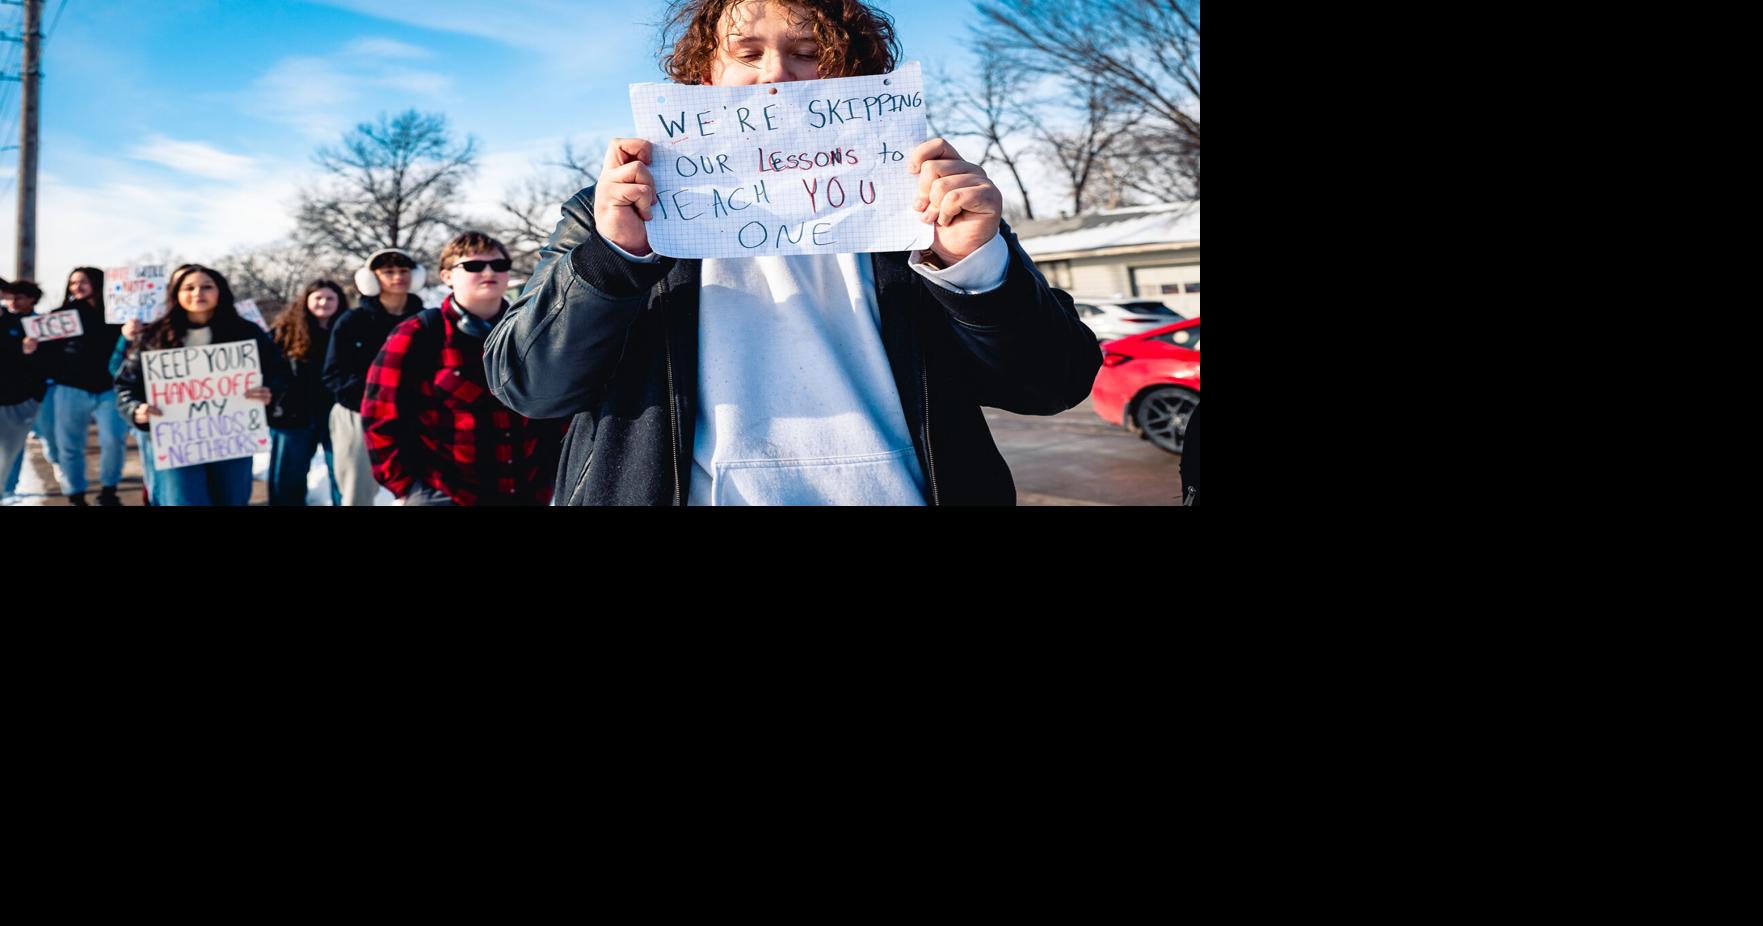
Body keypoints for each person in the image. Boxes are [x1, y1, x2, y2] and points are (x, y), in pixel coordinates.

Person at [484, 0, 1099, 505]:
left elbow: (1053, 384)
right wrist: (614, 258)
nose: (775, 76)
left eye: (808, 54)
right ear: (706, 79)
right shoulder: (612, 213)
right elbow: (529, 386)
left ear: (855, 80)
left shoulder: (925, 206)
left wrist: (975, 267)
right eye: (746, 54)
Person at [361, 232, 568, 506]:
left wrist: (548, 479)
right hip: (446, 492)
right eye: (473, 266)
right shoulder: (418, 333)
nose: (488, 272)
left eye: (499, 265)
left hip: (525, 489)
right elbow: (380, 415)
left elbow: (556, 410)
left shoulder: (534, 330)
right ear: (447, 276)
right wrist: (406, 487)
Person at [114, 264, 289, 506]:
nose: (198, 293)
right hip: (176, 440)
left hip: (232, 437)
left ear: (220, 292)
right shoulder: (154, 336)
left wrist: (270, 390)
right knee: (183, 499)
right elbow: (126, 385)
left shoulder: (246, 331)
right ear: (176, 294)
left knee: (232, 499)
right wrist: (136, 409)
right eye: (189, 288)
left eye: (207, 287)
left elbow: (278, 370)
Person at [322, 248, 428, 505]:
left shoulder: (426, 319)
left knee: (419, 491)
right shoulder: (351, 321)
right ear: (371, 278)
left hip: (415, 413)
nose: (397, 277)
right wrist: (375, 401)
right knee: (356, 492)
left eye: (403, 271)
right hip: (357, 414)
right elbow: (334, 374)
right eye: (388, 272)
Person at [46, 268, 127, 506]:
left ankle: (109, 490)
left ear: (98, 283)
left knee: (114, 440)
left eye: (83, 281)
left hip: (110, 388)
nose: (77, 287)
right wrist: (32, 347)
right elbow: (47, 353)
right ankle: (75, 494)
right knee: (69, 444)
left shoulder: (117, 314)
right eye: (72, 283)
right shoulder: (60, 316)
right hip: (71, 387)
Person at [267, 280, 346, 506]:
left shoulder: (349, 329)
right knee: (287, 479)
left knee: (343, 475)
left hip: (335, 413)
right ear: (306, 301)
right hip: (293, 415)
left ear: (339, 302)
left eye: (330, 298)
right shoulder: (284, 332)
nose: (324, 303)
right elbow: (267, 368)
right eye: (318, 298)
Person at [1, 280, 49, 506]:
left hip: (22, 397)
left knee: (13, 447)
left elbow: (51, 360)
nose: (13, 302)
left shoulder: (40, 325)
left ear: (31, 299)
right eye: (10, 297)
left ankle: (8, 489)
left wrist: (35, 395)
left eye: (18, 297)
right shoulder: (5, 320)